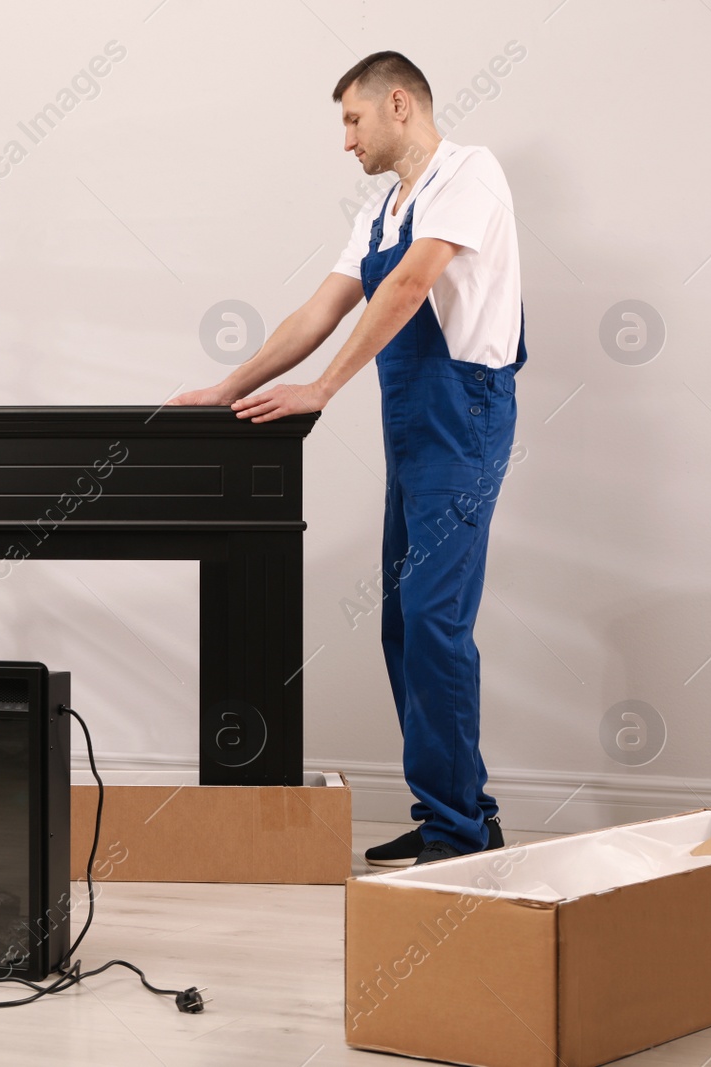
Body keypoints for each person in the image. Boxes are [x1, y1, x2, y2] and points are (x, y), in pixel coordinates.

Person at [171, 52, 526, 866]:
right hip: (414, 431)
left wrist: (323, 390)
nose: (345, 140)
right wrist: (227, 388)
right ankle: (460, 811)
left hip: (464, 417)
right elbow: (320, 309)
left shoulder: (471, 173)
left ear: (398, 104)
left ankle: (458, 833)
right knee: (405, 628)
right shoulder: (380, 207)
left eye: (352, 119)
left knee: (436, 622)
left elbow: (406, 291)